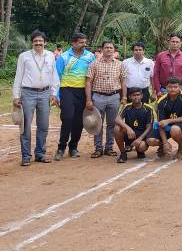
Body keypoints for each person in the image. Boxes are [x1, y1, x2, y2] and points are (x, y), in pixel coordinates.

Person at [12, 30, 60, 166]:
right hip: (28, 93)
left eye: (40, 41)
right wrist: (16, 96)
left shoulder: (50, 55)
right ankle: (26, 156)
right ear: (32, 43)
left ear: (45, 42)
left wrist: (54, 93)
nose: (38, 43)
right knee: (25, 125)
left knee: (43, 125)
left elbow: (54, 75)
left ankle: (40, 154)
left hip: (45, 94)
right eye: (35, 41)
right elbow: (18, 76)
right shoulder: (24, 57)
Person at [55, 32, 96, 161]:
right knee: (67, 118)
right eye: (81, 42)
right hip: (66, 90)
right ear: (73, 43)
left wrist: (91, 95)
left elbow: (92, 76)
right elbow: (57, 76)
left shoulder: (90, 57)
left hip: (83, 92)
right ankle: (61, 148)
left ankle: (73, 147)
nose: (84, 45)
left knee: (79, 121)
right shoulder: (64, 57)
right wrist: (56, 95)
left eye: (85, 42)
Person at [85, 40, 127, 158]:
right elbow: (88, 82)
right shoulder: (94, 64)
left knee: (112, 124)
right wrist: (89, 99)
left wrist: (124, 96)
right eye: (106, 47)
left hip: (114, 97)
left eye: (111, 48)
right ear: (102, 49)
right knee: (97, 123)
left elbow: (123, 81)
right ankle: (98, 148)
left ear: (114, 50)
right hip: (98, 96)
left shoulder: (120, 64)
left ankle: (109, 147)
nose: (109, 49)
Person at [148, 76, 182, 159]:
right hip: (166, 126)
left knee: (174, 130)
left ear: (180, 87)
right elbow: (161, 123)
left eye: (175, 87)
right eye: (170, 87)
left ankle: (181, 148)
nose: (173, 89)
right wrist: (164, 143)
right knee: (150, 140)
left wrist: (168, 121)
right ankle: (164, 145)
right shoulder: (161, 101)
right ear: (166, 87)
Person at [113, 88, 155, 163]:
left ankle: (139, 151)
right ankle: (123, 154)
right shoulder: (126, 107)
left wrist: (139, 139)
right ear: (130, 97)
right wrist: (128, 128)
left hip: (142, 135)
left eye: (138, 95)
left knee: (141, 147)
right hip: (130, 134)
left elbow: (149, 127)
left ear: (142, 96)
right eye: (133, 95)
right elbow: (117, 119)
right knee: (117, 128)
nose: (136, 97)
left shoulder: (148, 108)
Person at [152, 32, 182, 98]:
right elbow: (156, 74)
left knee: (179, 108)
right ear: (169, 42)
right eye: (173, 41)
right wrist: (158, 90)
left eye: (177, 42)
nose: (175, 43)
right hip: (164, 90)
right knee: (163, 108)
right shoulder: (160, 56)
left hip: (180, 89)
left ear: (180, 43)